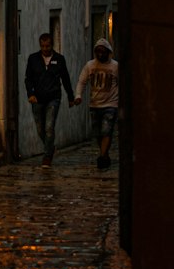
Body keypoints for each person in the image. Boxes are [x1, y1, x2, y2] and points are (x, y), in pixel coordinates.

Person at [24, 32, 75, 167]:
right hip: (37, 99)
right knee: (40, 129)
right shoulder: (33, 59)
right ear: (40, 45)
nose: (45, 49)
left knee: (49, 127)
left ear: (52, 45)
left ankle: (47, 156)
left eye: (47, 46)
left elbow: (65, 79)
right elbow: (28, 79)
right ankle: (50, 147)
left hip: (53, 98)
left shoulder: (59, 59)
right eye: (43, 46)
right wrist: (30, 94)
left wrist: (71, 97)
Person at [74, 37, 119, 170]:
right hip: (95, 104)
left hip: (111, 104)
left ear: (108, 52)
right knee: (98, 134)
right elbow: (82, 82)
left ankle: (102, 157)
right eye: (98, 52)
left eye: (103, 52)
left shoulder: (115, 66)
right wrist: (78, 96)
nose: (100, 54)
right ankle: (105, 155)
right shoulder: (90, 66)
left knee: (106, 130)